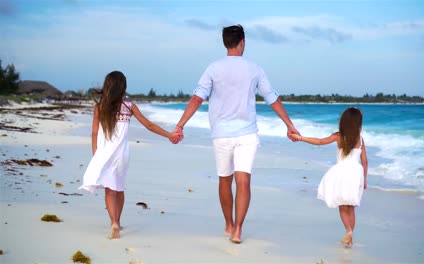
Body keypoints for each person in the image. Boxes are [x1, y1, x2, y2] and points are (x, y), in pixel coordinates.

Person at [171, 24, 300, 244]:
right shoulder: (254, 68)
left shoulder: (213, 68)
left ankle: (229, 224)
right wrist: (289, 124)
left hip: (221, 133)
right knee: (244, 181)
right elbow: (272, 98)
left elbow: (197, 98)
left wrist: (180, 125)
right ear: (243, 42)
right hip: (247, 133)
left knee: (224, 180)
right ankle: (238, 229)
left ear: (225, 43)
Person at [79, 71, 179, 239]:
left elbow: (94, 133)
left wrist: (95, 154)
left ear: (107, 86)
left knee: (109, 190)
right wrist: (170, 135)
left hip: (104, 154)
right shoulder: (128, 107)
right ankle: (118, 220)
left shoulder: (99, 107)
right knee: (119, 188)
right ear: (122, 87)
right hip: (122, 155)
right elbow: (149, 125)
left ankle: (113, 223)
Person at [291, 107, 368, 246]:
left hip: (341, 172)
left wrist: (301, 138)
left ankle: (348, 230)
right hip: (356, 174)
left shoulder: (339, 136)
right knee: (351, 207)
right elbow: (365, 161)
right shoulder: (360, 140)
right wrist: (365, 179)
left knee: (342, 206)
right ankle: (350, 238)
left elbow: (319, 142)